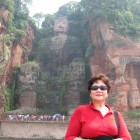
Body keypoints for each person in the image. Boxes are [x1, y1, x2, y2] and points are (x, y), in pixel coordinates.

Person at [65, 73, 132, 140]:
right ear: (90, 93)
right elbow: (69, 137)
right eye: (94, 88)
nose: (98, 90)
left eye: (103, 88)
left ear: (107, 93)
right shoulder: (81, 111)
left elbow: (127, 138)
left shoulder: (116, 115)